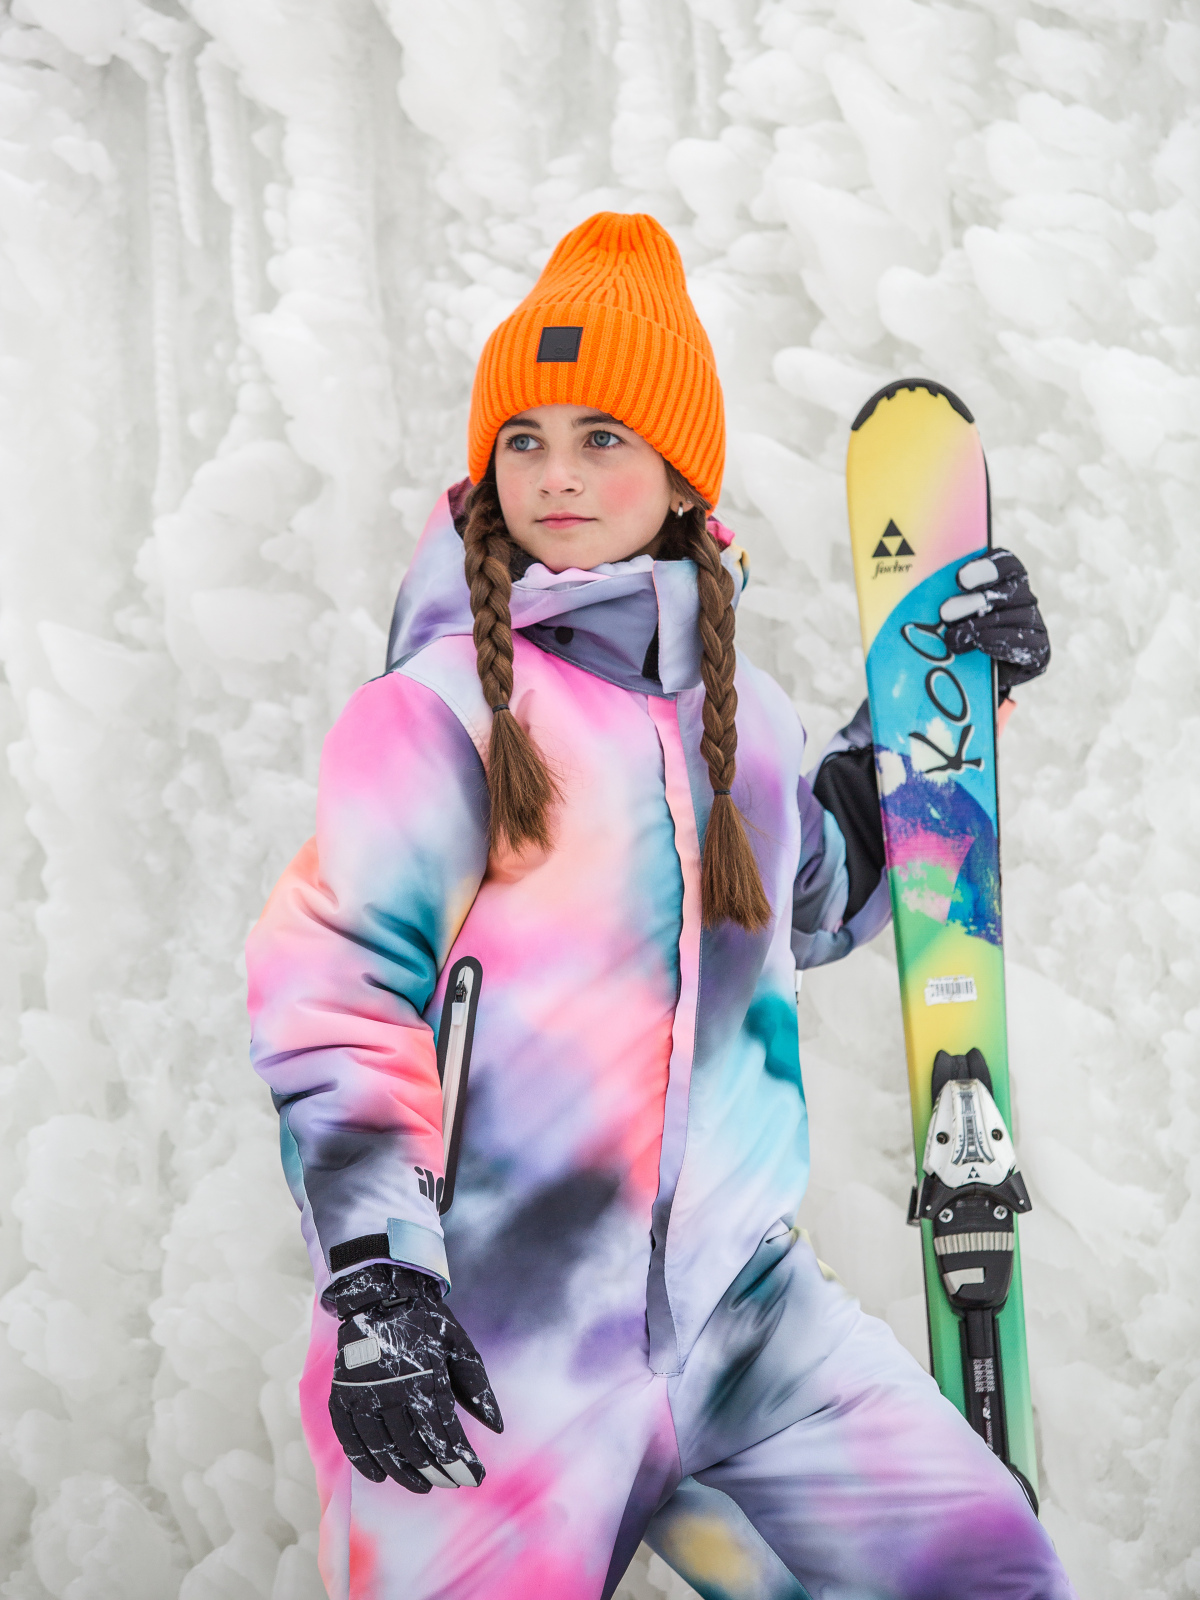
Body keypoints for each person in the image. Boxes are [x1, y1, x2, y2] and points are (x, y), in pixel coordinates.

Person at [246, 212, 1067, 1600]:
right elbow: (336, 991)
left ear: (684, 474)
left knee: (992, 1576)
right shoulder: (435, 714)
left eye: (602, 436)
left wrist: (944, 694)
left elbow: (817, 894)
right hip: (493, 1354)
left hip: (745, 1325)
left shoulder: (738, 728)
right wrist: (381, 1276)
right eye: (525, 440)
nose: (557, 473)